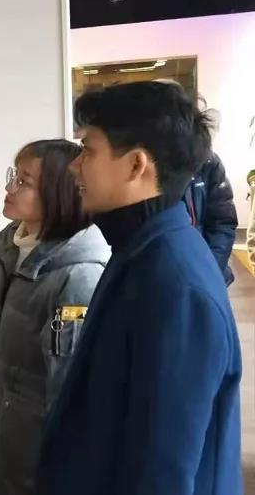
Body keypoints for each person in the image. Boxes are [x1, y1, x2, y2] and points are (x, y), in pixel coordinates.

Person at [39, 82, 242, 495]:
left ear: (136, 165)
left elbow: (163, 470)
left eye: (88, 150)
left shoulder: (175, 283)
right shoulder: (140, 250)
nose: (74, 166)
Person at [0, 140, 109, 495]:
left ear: (58, 194)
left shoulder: (79, 276)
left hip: (36, 464)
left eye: (23, 182)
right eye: (13, 176)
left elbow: (70, 398)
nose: (9, 188)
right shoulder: (11, 252)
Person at [183, 152, 238, 286]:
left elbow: (223, 223)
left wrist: (209, 273)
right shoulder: (141, 162)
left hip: (208, 274)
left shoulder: (208, 161)